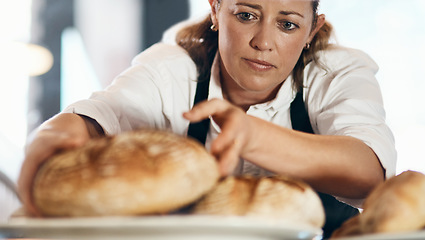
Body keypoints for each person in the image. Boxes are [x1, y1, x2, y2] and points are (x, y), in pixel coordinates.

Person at [18, 0, 396, 237]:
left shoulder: (335, 74)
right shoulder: (172, 68)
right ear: (216, 10)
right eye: (246, 15)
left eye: (287, 24)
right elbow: (99, 115)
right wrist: (52, 133)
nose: (263, 42)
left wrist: (251, 135)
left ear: (312, 28)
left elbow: (368, 175)